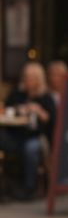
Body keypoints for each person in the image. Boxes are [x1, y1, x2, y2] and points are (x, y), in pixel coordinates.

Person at [0, 61, 56, 200]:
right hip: (15, 134)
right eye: (26, 77)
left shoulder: (46, 97)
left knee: (31, 148)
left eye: (31, 78)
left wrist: (39, 111)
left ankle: (29, 188)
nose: (28, 80)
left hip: (35, 137)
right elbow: (6, 110)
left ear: (38, 79)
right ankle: (5, 185)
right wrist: (19, 109)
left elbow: (52, 121)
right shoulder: (17, 94)